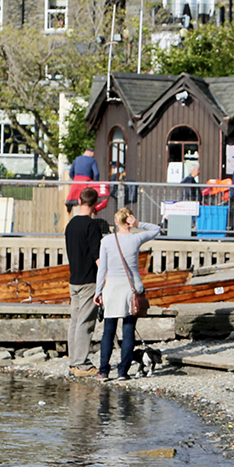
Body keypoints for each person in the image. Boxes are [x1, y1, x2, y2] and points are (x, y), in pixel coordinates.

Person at [94, 208, 160, 381]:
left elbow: (102, 269)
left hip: (112, 288)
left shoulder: (107, 241)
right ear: (129, 220)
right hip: (131, 288)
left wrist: (98, 291)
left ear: (116, 222)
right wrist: (139, 225)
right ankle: (123, 372)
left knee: (108, 331)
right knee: (128, 330)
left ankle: (104, 371)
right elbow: (156, 229)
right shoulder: (136, 238)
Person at [64, 186, 106, 377]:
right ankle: (81, 363)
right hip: (89, 279)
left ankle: (73, 360)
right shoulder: (92, 226)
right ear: (95, 204)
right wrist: (105, 278)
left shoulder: (70, 225)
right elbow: (97, 256)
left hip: (74, 279)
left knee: (75, 321)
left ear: (79, 201)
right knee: (86, 322)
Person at [66, 145, 102, 210]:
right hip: (86, 183)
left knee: (76, 202)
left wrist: (75, 180)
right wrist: (95, 183)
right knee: (87, 200)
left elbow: (70, 172)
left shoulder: (77, 159)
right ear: (92, 153)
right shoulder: (92, 160)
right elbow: (96, 173)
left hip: (76, 183)